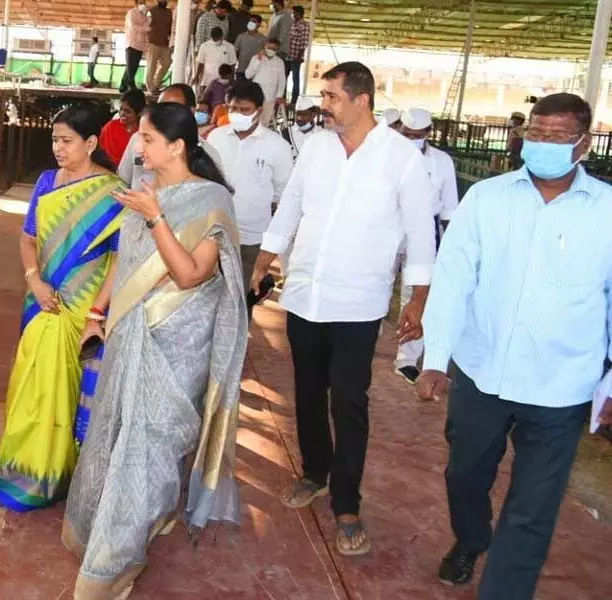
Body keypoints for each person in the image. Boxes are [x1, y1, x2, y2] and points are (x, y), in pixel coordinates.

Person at [416, 92, 612, 600]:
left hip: (562, 386)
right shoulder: (487, 197)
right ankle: (472, 538)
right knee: (464, 475)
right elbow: (454, 278)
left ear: (584, 144)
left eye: (557, 136)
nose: (542, 144)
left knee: (533, 508)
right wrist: (435, 359)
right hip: (483, 372)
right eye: (536, 134)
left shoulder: (607, 211)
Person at [62, 101, 248, 600]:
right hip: (129, 334)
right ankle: (116, 537)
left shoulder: (212, 200)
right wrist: (97, 314)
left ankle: (112, 566)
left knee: (151, 450)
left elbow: (191, 274)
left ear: (177, 146)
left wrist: (157, 218)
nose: (137, 147)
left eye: (145, 138)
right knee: (122, 441)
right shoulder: (145, 192)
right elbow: (125, 258)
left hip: (178, 345)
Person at [249, 62, 436, 555]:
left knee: (349, 400)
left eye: (331, 97)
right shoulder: (316, 147)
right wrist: (264, 261)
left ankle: (347, 502)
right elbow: (290, 206)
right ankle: (315, 472)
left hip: (359, 301)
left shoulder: (400, 157)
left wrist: (417, 297)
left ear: (361, 100)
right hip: (306, 292)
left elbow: (420, 231)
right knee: (307, 391)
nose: (324, 106)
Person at [0, 103, 125, 511]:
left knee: (70, 389)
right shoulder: (47, 182)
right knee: (32, 384)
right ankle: (25, 472)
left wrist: (97, 311)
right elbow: (28, 237)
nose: (58, 148)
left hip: (82, 304)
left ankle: (62, 473)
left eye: (66, 141)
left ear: (92, 143)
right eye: (54, 140)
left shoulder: (112, 192)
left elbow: (118, 258)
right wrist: (35, 279)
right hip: (42, 298)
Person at [207, 80, 292, 293]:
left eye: (244, 110)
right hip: (213, 232)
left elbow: (284, 193)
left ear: (259, 111)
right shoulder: (216, 138)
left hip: (251, 238)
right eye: (233, 108)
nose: (237, 114)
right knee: (208, 296)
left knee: (242, 297)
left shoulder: (277, 146)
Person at [393, 107, 458, 384]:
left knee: (417, 293)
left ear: (429, 133)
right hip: (389, 224)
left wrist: (448, 241)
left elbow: (450, 207)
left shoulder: (442, 162)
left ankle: (406, 359)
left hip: (425, 230)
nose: (413, 139)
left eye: (418, 135)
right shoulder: (388, 155)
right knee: (376, 284)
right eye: (408, 134)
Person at [118, 84, 225, 191]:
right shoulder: (137, 139)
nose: (161, 115)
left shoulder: (207, 153)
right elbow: (122, 180)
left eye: (170, 110)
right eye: (160, 107)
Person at [245, 37, 286, 127]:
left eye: (273, 49)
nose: (270, 50)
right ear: (264, 47)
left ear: (277, 49)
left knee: (264, 123)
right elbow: (248, 75)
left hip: (270, 98)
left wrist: (279, 95)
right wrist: (258, 60)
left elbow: (282, 81)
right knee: (252, 122)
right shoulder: (255, 58)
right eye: (269, 48)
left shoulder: (279, 62)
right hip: (255, 97)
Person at [100, 90, 147, 166]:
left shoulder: (144, 133)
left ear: (140, 112)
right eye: (121, 109)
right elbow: (100, 154)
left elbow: (145, 160)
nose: (122, 113)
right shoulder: (111, 127)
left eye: (128, 111)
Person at [195, 26, 237, 95]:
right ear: (211, 36)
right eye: (214, 38)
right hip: (207, 81)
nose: (216, 40)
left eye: (217, 38)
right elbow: (200, 62)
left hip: (223, 82)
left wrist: (231, 80)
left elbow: (232, 64)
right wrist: (197, 76)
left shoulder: (229, 47)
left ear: (221, 36)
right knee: (205, 101)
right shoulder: (204, 46)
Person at [121, 0, 151, 92]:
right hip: (131, 43)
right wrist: (146, 29)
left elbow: (147, 26)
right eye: (141, 2)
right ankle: (131, 86)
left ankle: (122, 87)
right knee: (130, 66)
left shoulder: (144, 15)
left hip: (140, 44)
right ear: (136, 3)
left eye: (144, 3)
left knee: (133, 66)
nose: (143, 5)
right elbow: (133, 27)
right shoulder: (131, 13)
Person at [279, 95, 319, 161]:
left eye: (304, 114)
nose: (299, 118)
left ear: (313, 115)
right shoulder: (285, 133)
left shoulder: (320, 134)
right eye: (298, 114)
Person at [146, 0, 173, 94]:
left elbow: (170, 28)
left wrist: (171, 41)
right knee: (151, 66)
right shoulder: (151, 11)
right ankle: (150, 88)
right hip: (153, 42)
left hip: (165, 42)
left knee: (167, 63)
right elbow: (146, 26)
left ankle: (156, 84)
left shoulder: (169, 12)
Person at [285, 5, 310, 107]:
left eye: (294, 13)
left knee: (295, 79)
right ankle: (282, 98)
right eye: (292, 13)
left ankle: (294, 101)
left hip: (296, 57)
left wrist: (299, 57)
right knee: (283, 79)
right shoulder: (292, 24)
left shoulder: (305, 25)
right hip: (287, 56)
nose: (293, 14)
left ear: (299, 13)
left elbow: (304, 42)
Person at [234, 14, 267, 80]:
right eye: (250, 21)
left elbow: (264, 56)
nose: (250, 23)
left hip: (256, 72)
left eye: (253, 21)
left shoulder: (264, 39)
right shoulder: (241, 36)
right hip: (241, 70)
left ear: (259, 24)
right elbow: (235, 52)